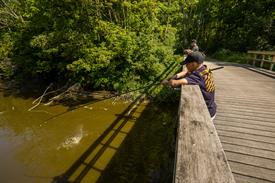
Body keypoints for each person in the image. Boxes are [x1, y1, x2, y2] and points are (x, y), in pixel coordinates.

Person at [168, 51, 216, 121]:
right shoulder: (204, 69)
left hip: (206, 112)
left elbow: (175, 83)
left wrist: (168, 81)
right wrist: (175, 76)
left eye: (187, 64)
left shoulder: (197, 75)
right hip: (211, 107)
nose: (186, 66)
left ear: (194, 64)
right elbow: (186, 72)